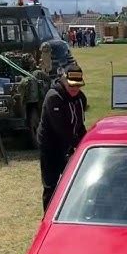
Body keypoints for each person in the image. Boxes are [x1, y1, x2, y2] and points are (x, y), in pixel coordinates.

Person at [37, 63, 87, 212]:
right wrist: (78, 147)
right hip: (50, 147)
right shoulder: (53, 98)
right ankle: (48, 217)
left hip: (68, 144)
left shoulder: (80, 98)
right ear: (64, 80)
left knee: (75, 182)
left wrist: (86, 141)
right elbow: (62, 130)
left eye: (78, 86)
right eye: (72, 86)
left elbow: (79, 125)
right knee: (51, 185)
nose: (75, 89)